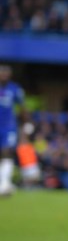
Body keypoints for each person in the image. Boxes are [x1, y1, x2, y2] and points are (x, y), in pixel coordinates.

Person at [0, 64, 25, 196]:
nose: (4, 75)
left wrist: (25, 125)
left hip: (8, 127)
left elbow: (22, 107)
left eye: (6, 73)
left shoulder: (14, 89)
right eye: (2, 73)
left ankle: (4, 183)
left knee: (7, 152)